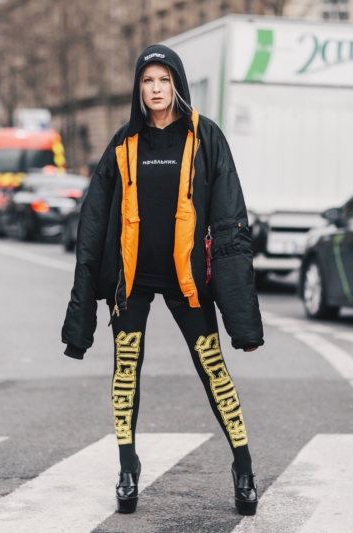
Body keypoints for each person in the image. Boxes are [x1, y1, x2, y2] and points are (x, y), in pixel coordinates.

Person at [61, 45, 263, 516]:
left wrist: (243, 320)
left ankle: (244, 467)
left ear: (177, 84)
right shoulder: (124, 144)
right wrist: (81, 315)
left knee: (214, 372)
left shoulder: (204, 136)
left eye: (163, 80)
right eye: (147, 81)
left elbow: (232, 221)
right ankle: (127, 468)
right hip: (130, 281)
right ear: (139, 88)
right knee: (125, 371)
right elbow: (92, 226)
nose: (155, 89)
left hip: (187, 279)